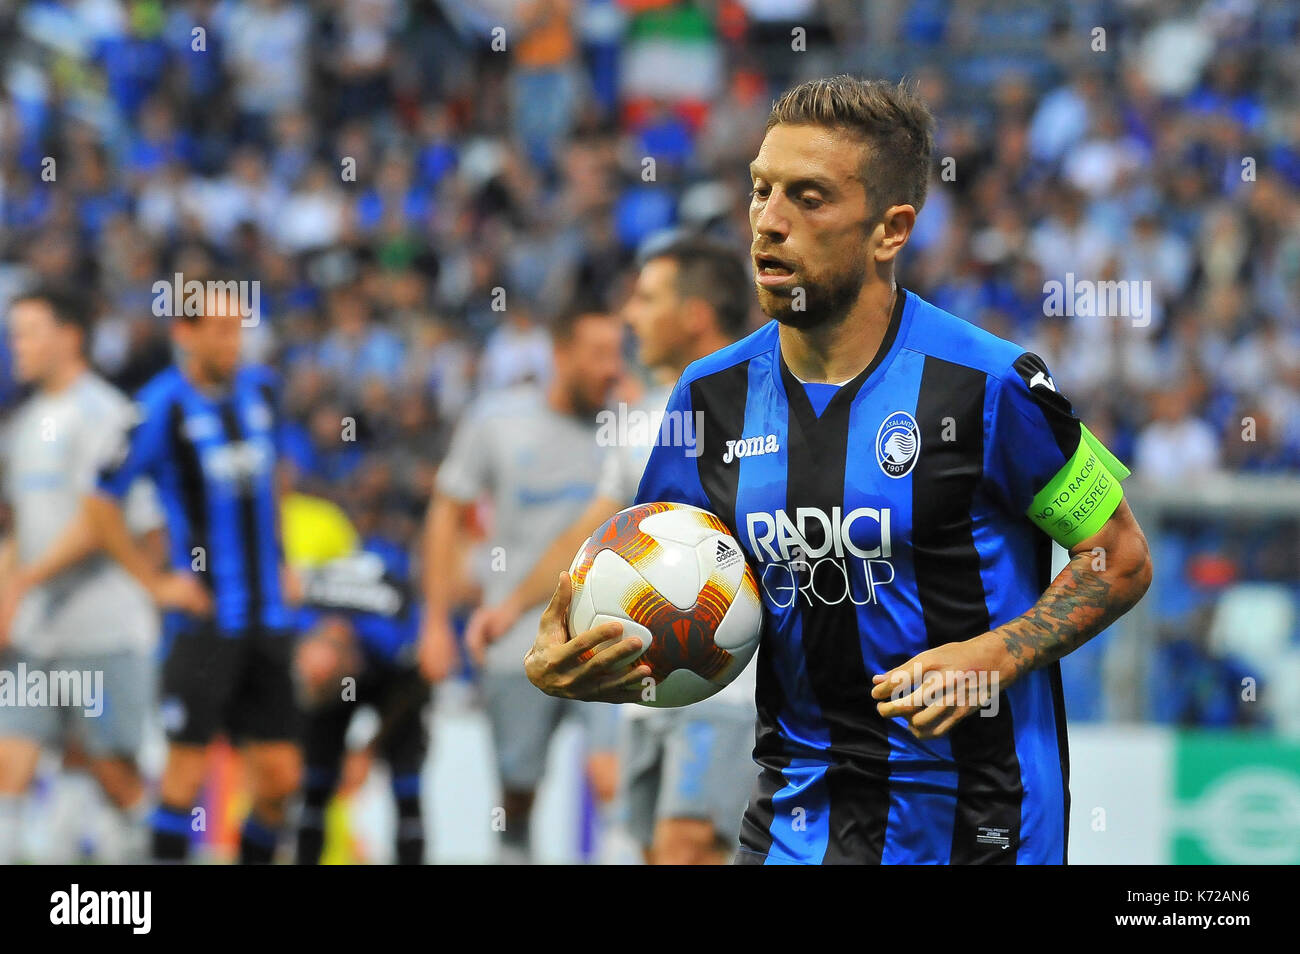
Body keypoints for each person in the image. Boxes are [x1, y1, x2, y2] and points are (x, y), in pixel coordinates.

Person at [525, 75, 1153, 865]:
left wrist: (999, 652)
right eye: (761, 190)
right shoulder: (708, 397)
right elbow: (680, 620)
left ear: (891, 230)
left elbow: (1120, 558)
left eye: (809, 198)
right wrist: (588, 662)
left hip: (980, 823)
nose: (769, 222)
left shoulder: (994, 384)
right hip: (795, 817)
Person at [467, 236, 756, 864]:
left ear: (695, 314)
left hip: (731, 685)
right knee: (657, 851)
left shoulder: (765, 409)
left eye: (647, 299)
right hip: (647, 691)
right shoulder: (645, 419)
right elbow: (591, 535)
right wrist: (514, 605)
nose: (630, 316)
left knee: (689, 848)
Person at [24, 282, 303, 863]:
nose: (235, 343)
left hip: (268, 616)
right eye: (221, 331)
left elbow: (272, 478)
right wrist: (154, 584)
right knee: (183, 776)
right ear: (185, 333)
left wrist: (283, 558)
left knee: (279, 779)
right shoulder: (158, 406)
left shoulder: (262, 394)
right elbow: (102, 501)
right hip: (202, 621)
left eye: (239, 330)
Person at [419, 307, 623, 863]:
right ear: (560, 355)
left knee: (611, 777)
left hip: (610, 637)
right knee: (517, 792)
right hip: (517, 640)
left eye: (617, 353)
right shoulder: (497, 421)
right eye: (598, 354)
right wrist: (435, 621)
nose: (612, 367)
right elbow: (447, 510)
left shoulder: (629, 426)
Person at [0, 285, 163, 863]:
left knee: (112, 770)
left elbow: (105, 523)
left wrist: (23, 581)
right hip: (38, 631)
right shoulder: (24, 424)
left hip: (103, 627)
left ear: (69, 337)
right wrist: (5, 585)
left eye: (27, 331)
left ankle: (140, 867)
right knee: (9, 759)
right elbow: (22, 522)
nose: (14, 343)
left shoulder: (106, 414)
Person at [288, 495, 430, 865]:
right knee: (315, 782)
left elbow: (417, 683)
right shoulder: (302, 620)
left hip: (396, 685)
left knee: (405, 780)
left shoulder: (390, 637)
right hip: (336, 676)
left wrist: (368, 748)